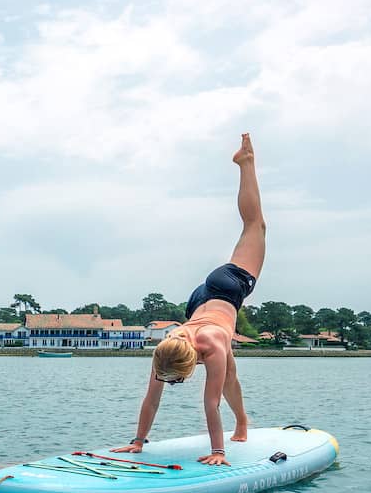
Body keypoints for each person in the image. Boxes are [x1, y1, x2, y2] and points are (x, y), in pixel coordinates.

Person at [113, 134, 266, 466]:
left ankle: (246, 162)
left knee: (255, 225)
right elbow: (151, 400)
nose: (176, 383)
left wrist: (218, 452)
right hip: (199, 302)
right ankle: (243, 420)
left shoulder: (209, 345)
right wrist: (138, 442)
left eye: (178, 379)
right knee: (230, 377)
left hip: (228, 289)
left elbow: (210, 404)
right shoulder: (168, 350)